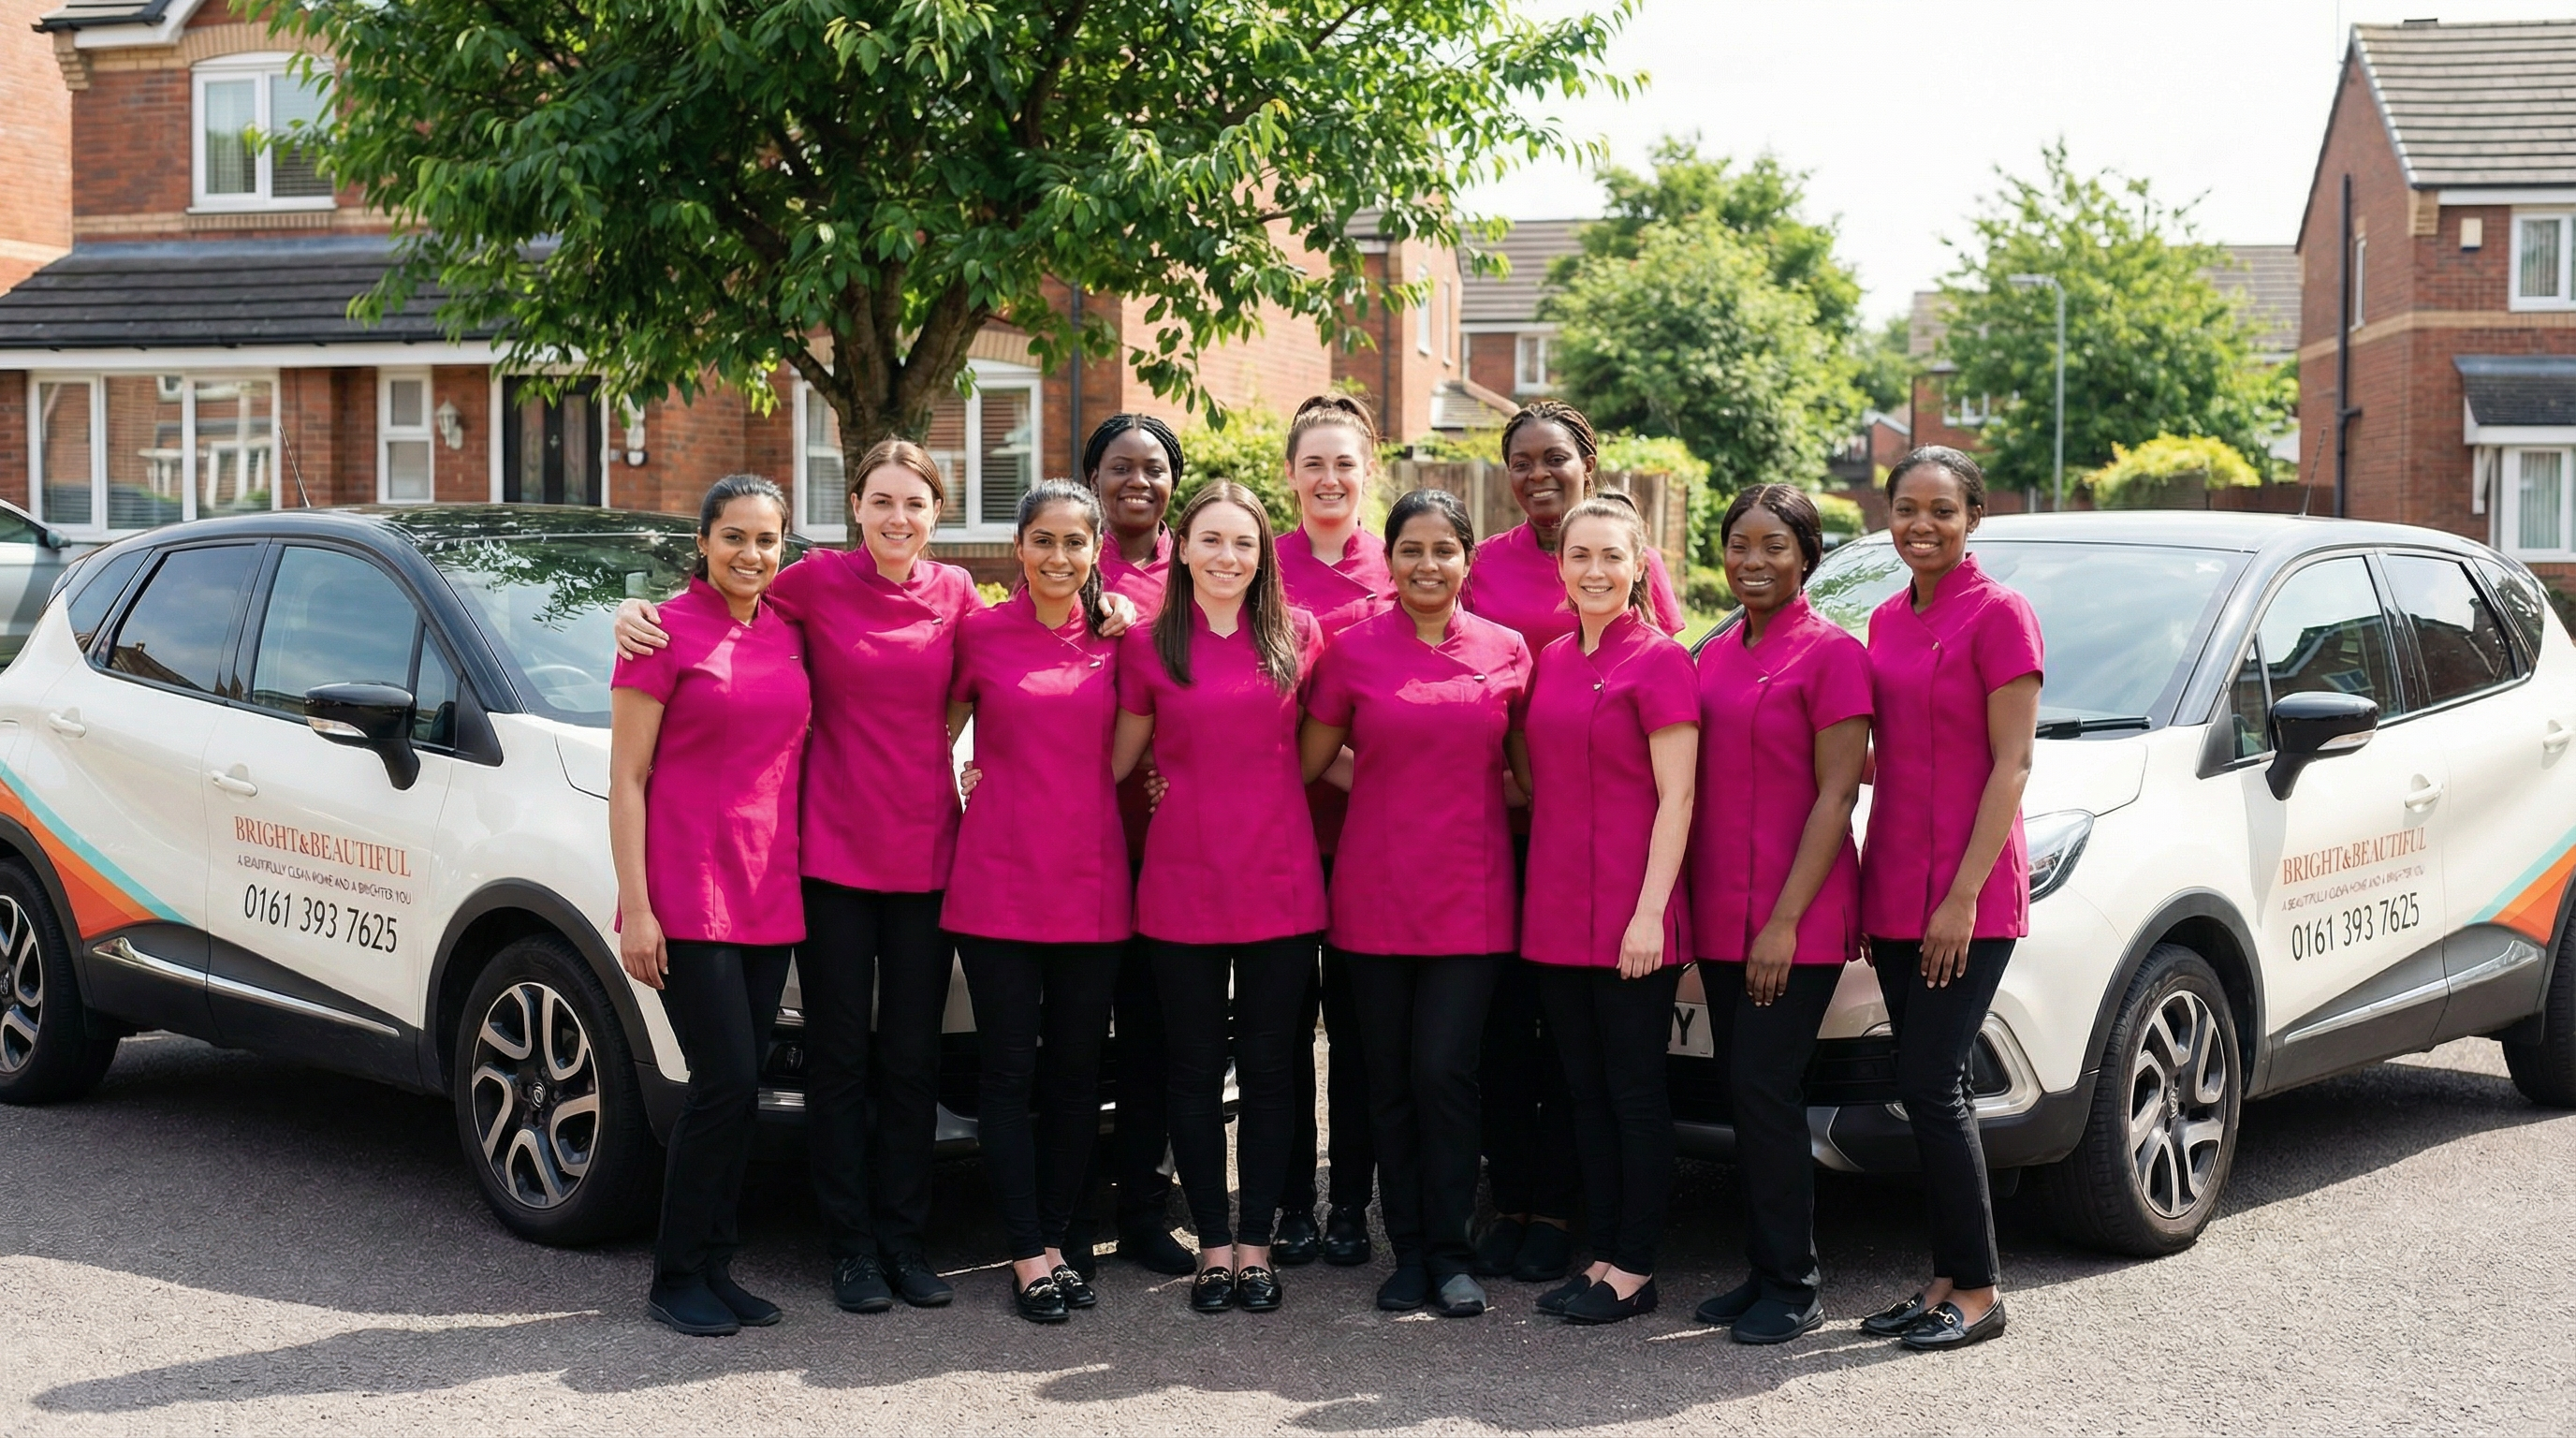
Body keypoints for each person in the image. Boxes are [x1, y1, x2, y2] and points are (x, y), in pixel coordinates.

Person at [616, 440, 977, 1315]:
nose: (899, 518)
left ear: (936, 514)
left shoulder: (958, 593)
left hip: (916, 852)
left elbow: (1003, 662)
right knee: (829, 1063)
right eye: (882, 501)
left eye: (916, 504)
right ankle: (847, 1251)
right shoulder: (807, 587)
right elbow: (704, 605)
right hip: (825, 861)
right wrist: (624, 610)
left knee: (912, 1062)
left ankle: (900, 1241)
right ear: (854, 505)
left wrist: (1109, 607)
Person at [1460, 399, 1683, 1286]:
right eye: (1522, 460)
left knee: (1607, 1070)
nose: (1539, 474)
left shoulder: (1645, 614)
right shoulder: (1496, 586)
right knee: (1521, 1049)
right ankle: (1524, 1206)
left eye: (1556, 458)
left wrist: (1651, 907)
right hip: (1524, 855)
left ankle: (1594, 1233)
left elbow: (1674, 753)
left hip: (1620, 862)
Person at [1299, 486, 1530, 1319]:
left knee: (1445, 1071)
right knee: (1388, 1078)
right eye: (1411, 550)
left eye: (1443, 551)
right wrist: (1388, 784)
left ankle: (1453, 1252)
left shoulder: (1508, 650)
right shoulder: (1352, 651)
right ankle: (1407, 1254)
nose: (1427, 564)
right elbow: (1307, 760)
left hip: (1472, 898)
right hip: (1373, 895)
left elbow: (1529, 777)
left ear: (1466, 561)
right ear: (1389, 559)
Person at [1112, 481, 1326, 1314]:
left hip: (1280, 876)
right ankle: (1211, 1245)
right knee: (1193, 1073)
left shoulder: (1299, 634)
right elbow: (1117, 762)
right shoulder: (1147, 645)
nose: (1227, 557)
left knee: (1275, 1072)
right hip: (1181, 881)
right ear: (1184, 549)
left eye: (1243, 542)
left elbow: (1311, 756)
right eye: (1210, 541)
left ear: (1263, 552)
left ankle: (1258, 1246)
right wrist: (991, 778)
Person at [607, 475, 811, 1337]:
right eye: (734, 537)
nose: (751, 554)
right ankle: (675, 1274)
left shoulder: (790, 628)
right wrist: (637, 907)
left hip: (769, 888)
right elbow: (627, 777)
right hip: (687, 892)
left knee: (743, 1084)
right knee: (721, 1081)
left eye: (767, 540)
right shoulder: (658, 632)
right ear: (702, 541)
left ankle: (718, 1267)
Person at [1854, 446, 2042, 1354]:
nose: (1919, 525)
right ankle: (1939, 1277)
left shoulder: (2001, 615)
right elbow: (1876, 759)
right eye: (1904, 509)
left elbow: (2012, 765)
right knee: (1921, 1087)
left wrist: (1961, 897)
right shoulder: (1884, 619)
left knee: (1934, 1087)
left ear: (1972, 519)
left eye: (1940, 509)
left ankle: (1977, 1290)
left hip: (1967, 892)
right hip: (1890, 881)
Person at [944, 480, 1137, 1325]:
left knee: (1073, 1072)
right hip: (998, 879)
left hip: (1093, 880)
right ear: (1017, 549)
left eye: (1075, 542)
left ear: (1097, 551)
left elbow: (1152, 736)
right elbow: (934, 734)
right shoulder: (980, 633)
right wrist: (963, 782)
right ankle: (1025, 1250)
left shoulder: (1120, 638)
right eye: (1044, 541)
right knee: (1008, 1068)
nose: (1060, 557)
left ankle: (1060, 1239)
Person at [1683, 485, 1871, 1346]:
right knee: (1745, 1092)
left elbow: (1837, 795)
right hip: (1720, 911)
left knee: (1766, 1087)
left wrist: (1785, 922)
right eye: (1737, 545)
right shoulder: (1713, 653)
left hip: (1794, 915)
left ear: (1807, 555)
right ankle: (1762, 1271)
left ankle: (1796, 1286)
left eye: (1772, 547)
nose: (1751, 561)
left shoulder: (1833, 655)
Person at [1518, 493, 1697, 1328]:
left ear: (1637, 568)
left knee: (1632, 1091)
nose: (1594, 570)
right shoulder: (1551, 658)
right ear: (1562, 567)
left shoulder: (1661, 661)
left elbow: (1678, 797)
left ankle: (1636, 1264)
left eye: (1610, 558)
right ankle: (1599, 1256)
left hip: (1633, 912)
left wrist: (1649, 914)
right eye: (1579, 556)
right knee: (1581, 1092)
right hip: (1555, 908)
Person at [1072, 412, 1200, 1280]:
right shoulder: (1067, 556)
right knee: (1079, 1036)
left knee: (1155, 1036)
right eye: (1120, 468)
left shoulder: (1193, 572)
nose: (1138, 483)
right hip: (1078, 839)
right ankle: (1071, 1211)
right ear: (1093, 479)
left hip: (1169, 845)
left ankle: (1146, 1209)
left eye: (1154, 469)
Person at [1270, 393, 1394, 1269]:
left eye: (1344, 462)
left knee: (1356, 1038)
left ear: (1368, 473)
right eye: (1312, 462)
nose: (1328, 478)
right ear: (1289, 475)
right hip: (1274, 835)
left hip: (1372, 841)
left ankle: (1350, 1199)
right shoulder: (1252, 561)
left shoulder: (1404, 565)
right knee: (1277, 1032)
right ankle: (1286, 1203)